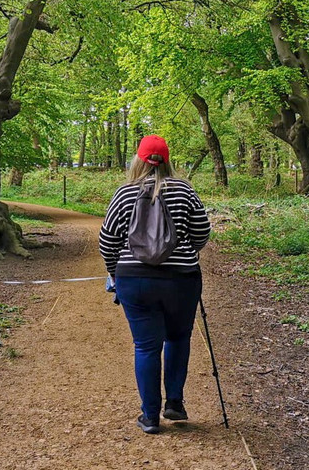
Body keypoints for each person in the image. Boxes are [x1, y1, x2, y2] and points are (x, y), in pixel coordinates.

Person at [99, 135, 212, 434]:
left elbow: (107, 241)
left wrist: (114, 273)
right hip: (182, 280)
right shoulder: (184, 190)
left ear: (138, 160)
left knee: (146, 346)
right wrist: (186, 253)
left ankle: (150, 417)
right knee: (178, 338)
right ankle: (174, 402)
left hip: (135, 280)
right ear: (167, 160)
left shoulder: (124, 193)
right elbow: (202, 232)